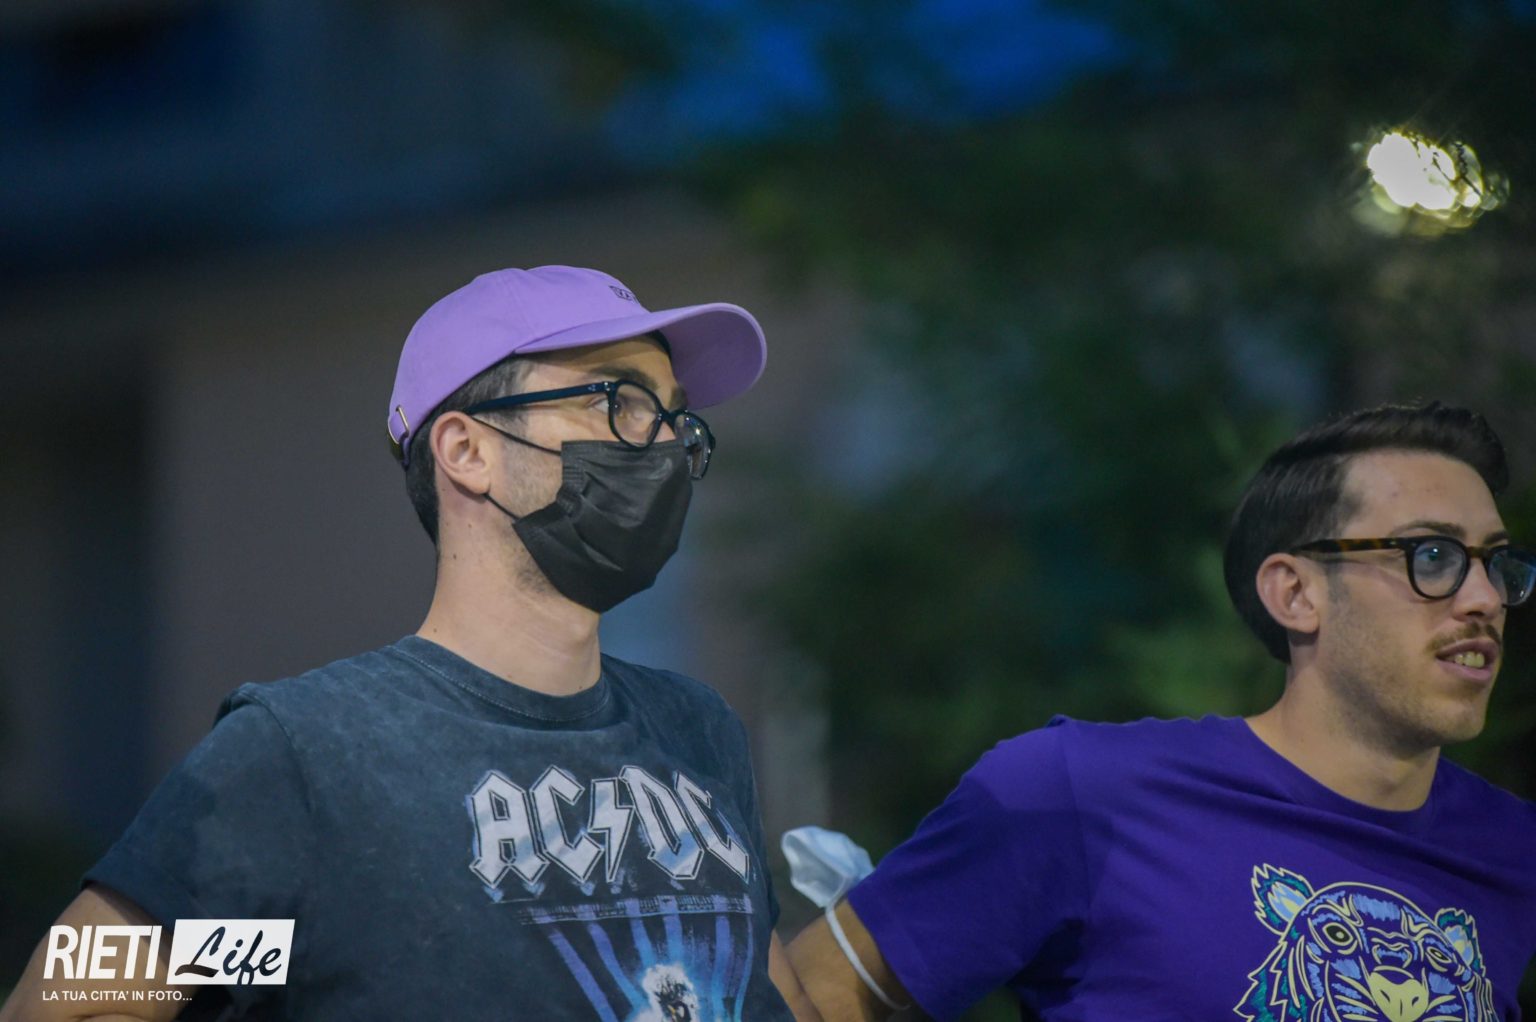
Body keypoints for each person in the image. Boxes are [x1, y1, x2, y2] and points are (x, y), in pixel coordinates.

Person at [2, 265, 814, 1021]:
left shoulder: (697, 732)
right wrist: (277, 957)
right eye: (621, 401)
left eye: (675, 416)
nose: (665, 443)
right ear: (467, 451)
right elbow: (75, 996)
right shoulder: (308, 758)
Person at [787, 402, 1536, 1021]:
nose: (1485, 599)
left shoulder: (1513, 849)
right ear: (1296, 593)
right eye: (1431, 557)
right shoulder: (1079, 793)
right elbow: (816, 996)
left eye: (1498, 564)